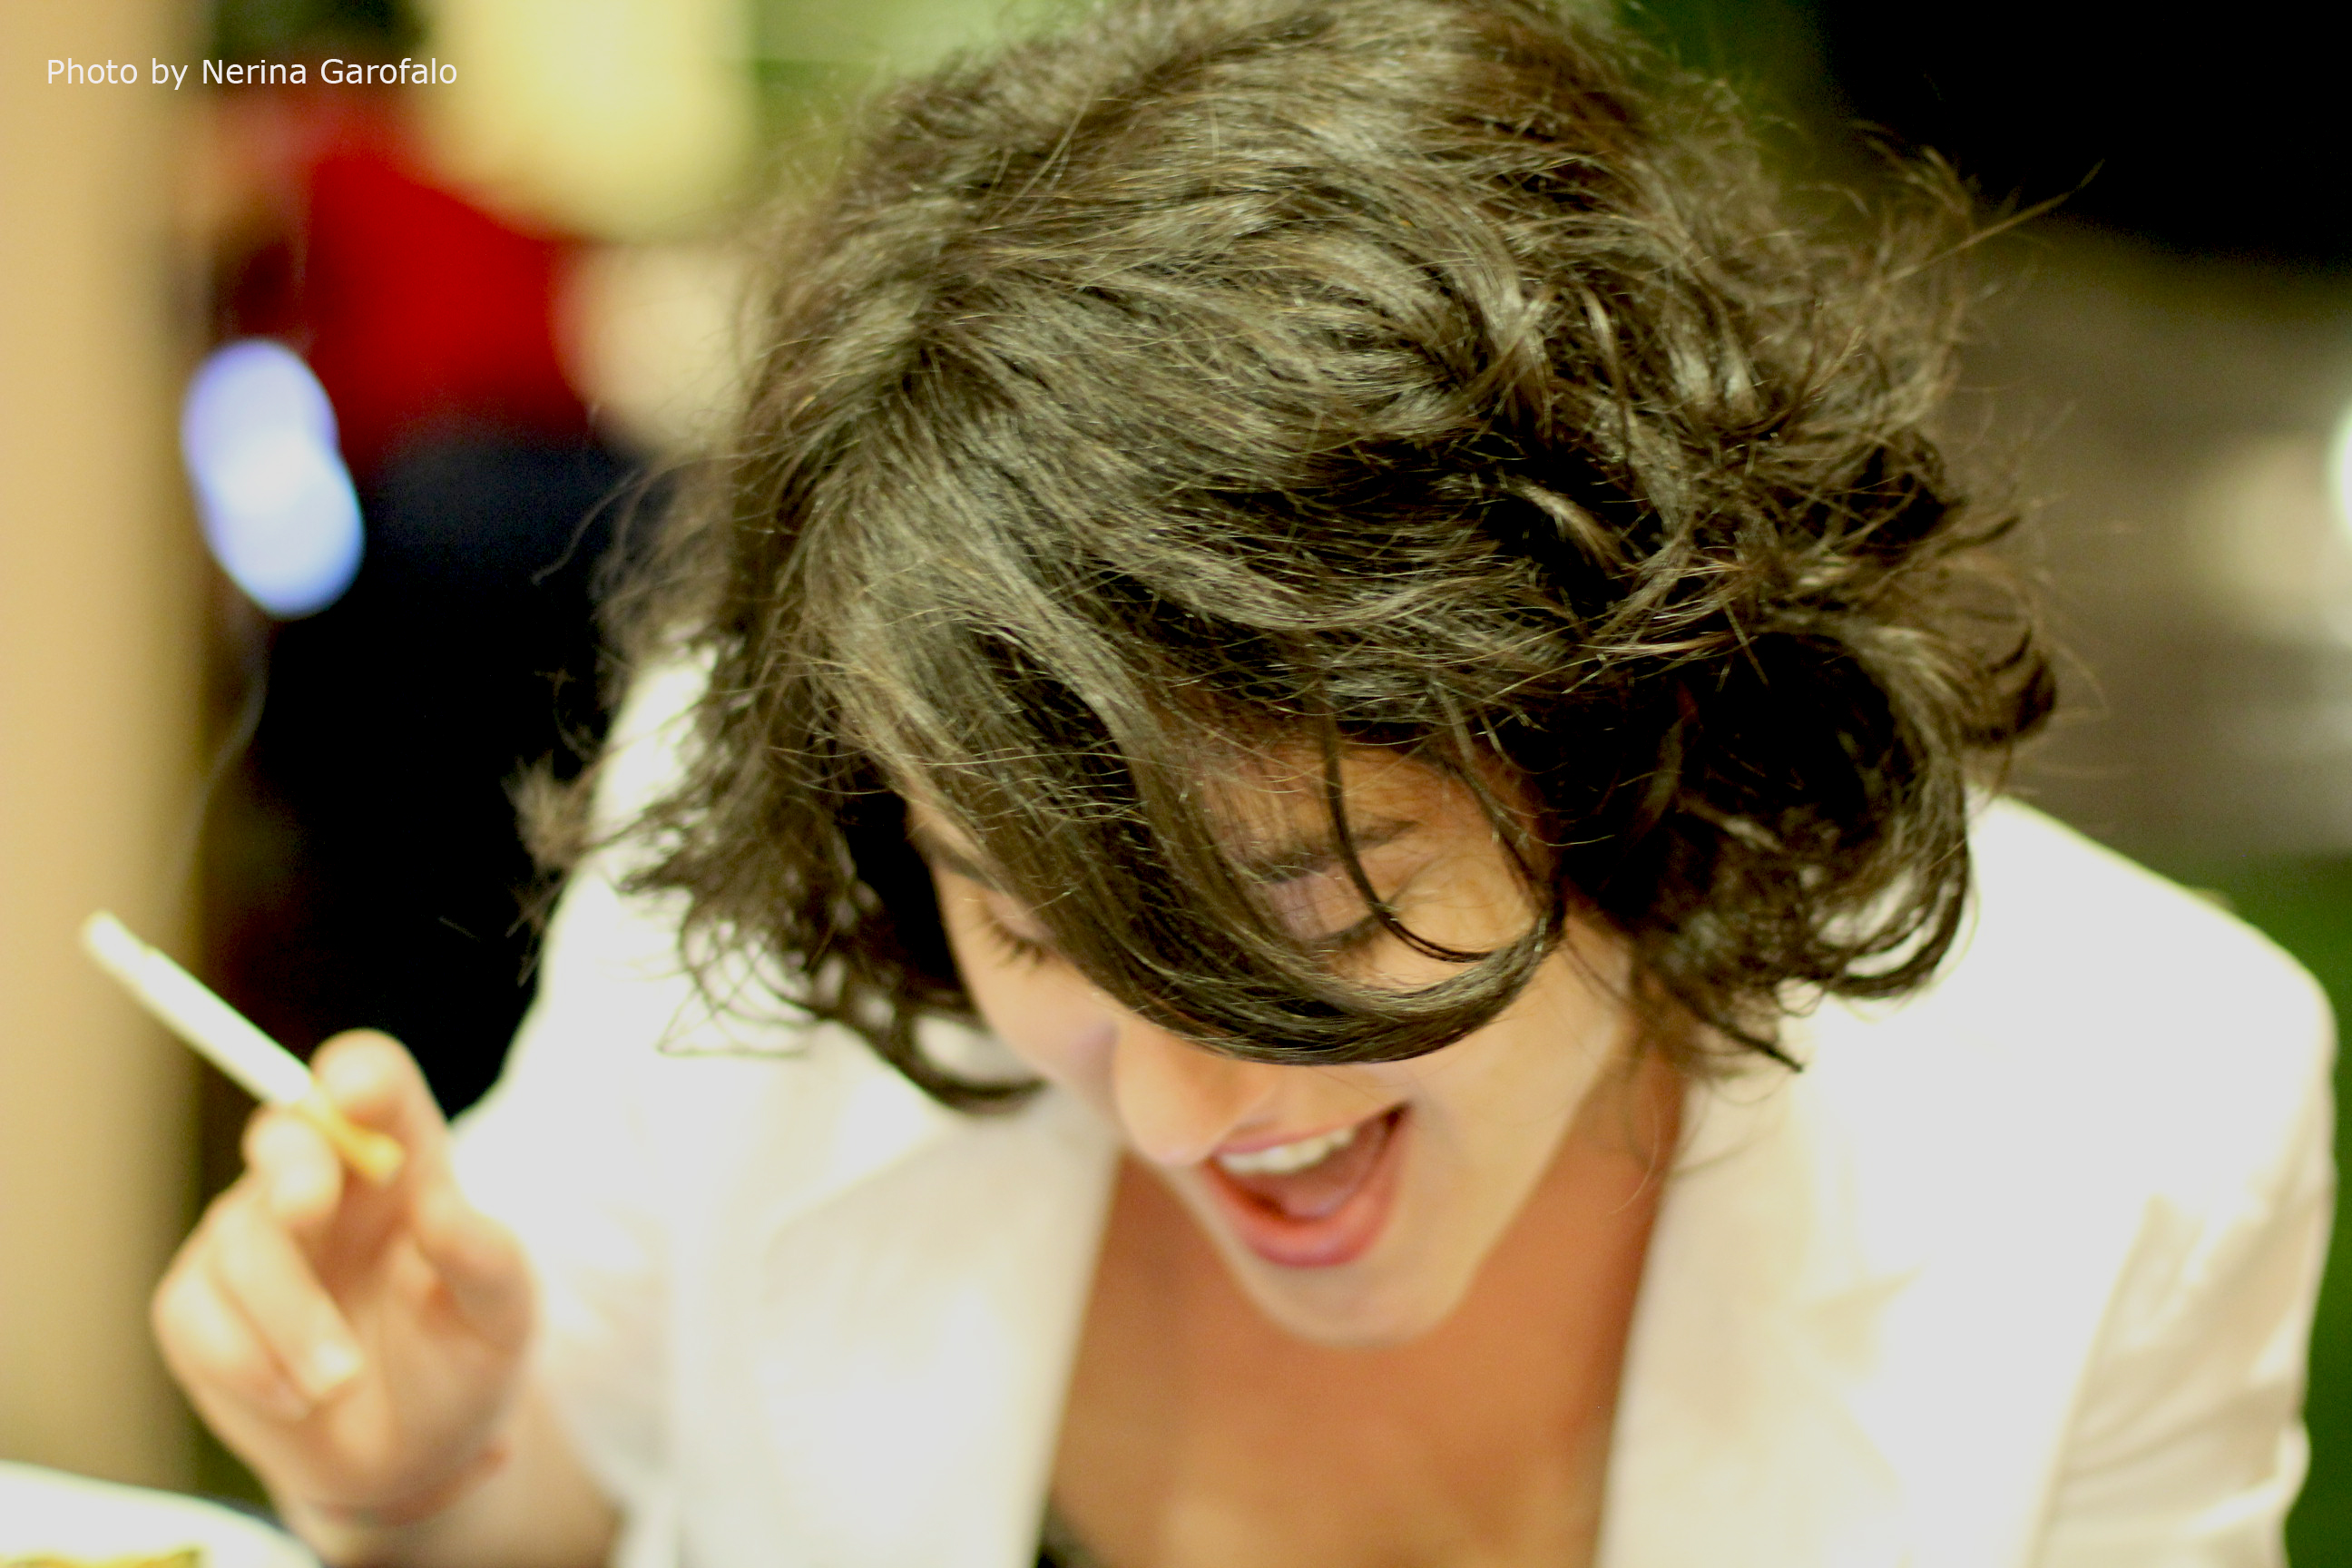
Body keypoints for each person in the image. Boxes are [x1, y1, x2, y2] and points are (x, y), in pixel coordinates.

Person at [150, 1, 2336, 1563]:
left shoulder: (2146, 1132)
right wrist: (421, 1461)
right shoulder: (790, 845)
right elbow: (576, 1486)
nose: (1191, 1106)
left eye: (1315, 895)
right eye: (1030, 917)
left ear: (1637, 739)